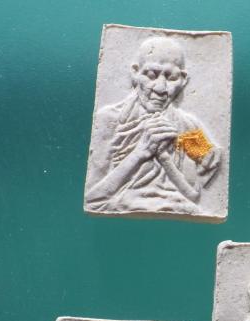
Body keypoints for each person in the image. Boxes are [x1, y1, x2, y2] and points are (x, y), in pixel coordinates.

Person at [85, 37, 221, 214]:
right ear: (135, 73)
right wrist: (140, 153)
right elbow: (92, 197)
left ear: (183, 80)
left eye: (172, 78)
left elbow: (195, 192)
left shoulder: (186, 126)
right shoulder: (110, 120)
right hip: (121, 205)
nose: (161, 88)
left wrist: (169, 158)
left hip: (176, 207)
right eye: (151, 75)